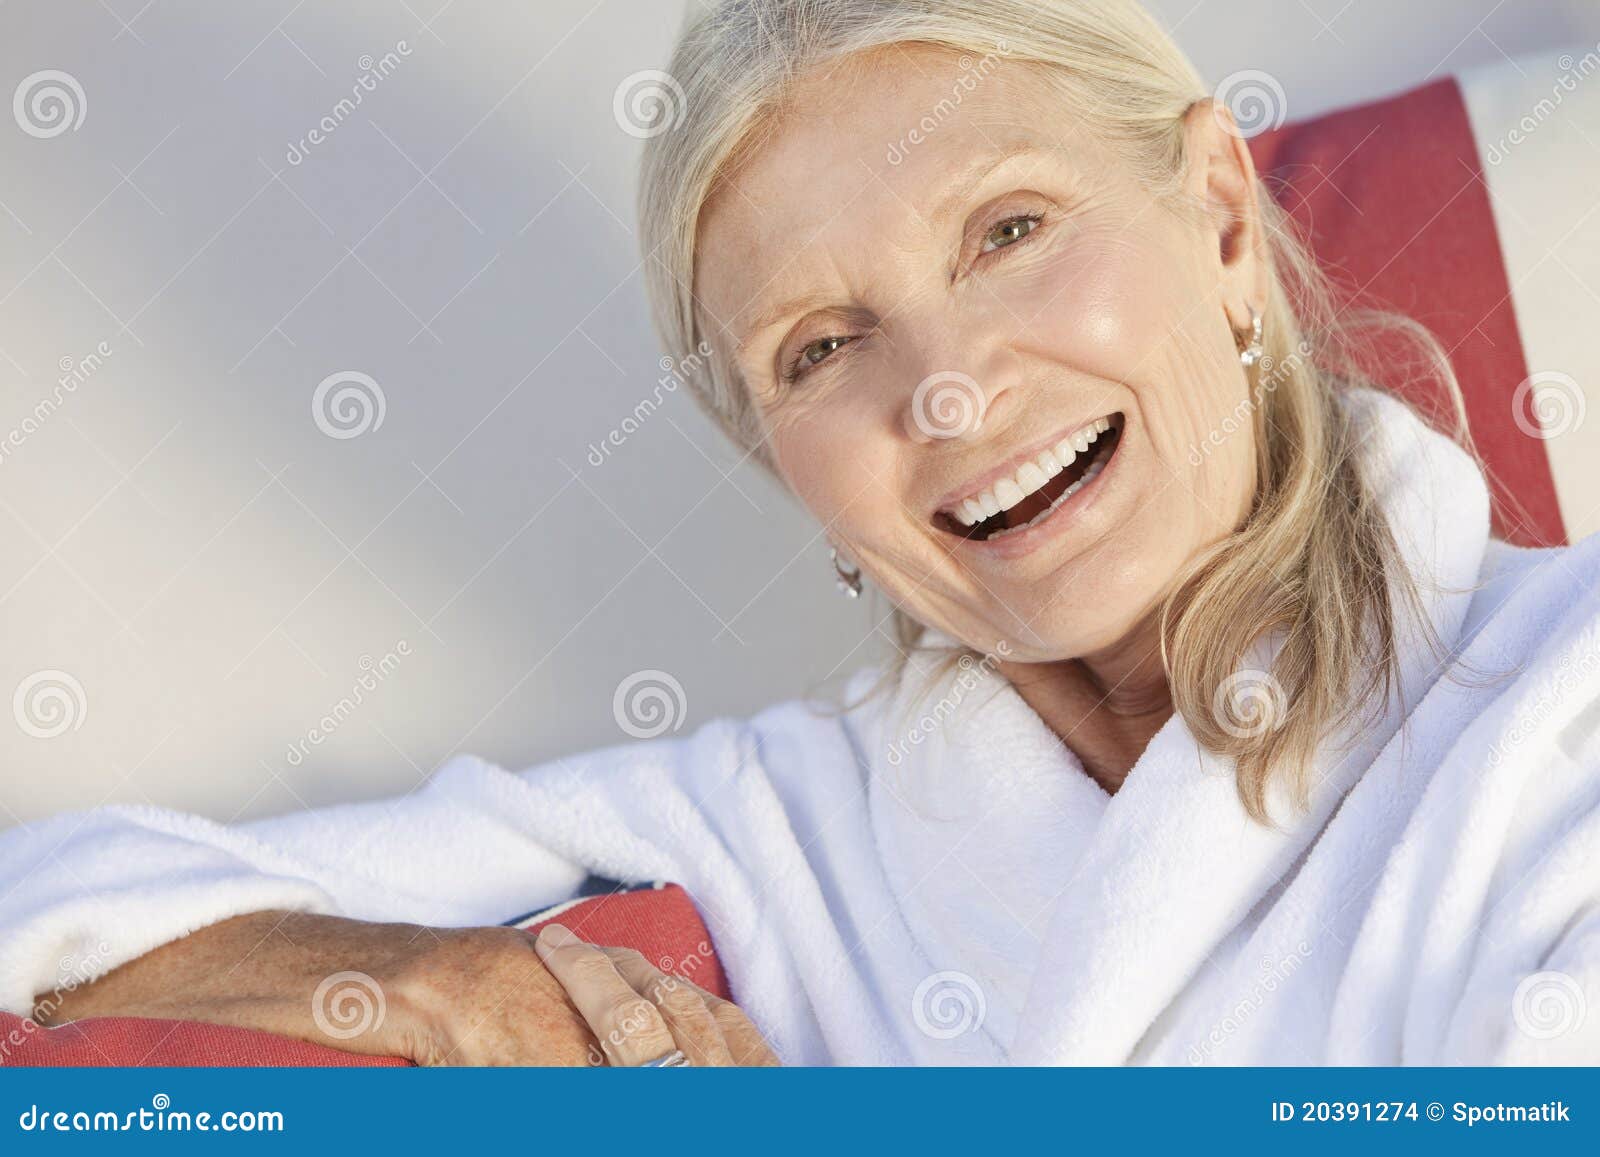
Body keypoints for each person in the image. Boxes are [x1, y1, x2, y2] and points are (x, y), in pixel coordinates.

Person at [3, 0, 1598, 1066]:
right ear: (781, 465)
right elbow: (50, 917)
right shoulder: (778, 823)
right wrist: (440, 981)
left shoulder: (1564, 699)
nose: (953, 395)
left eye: (1010, 231)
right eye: (821, 349)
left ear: (1225, 224)